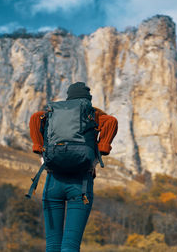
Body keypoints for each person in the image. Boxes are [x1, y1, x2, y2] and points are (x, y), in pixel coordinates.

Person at [29, 82, 118, 252]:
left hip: (53, 181)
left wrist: (42, 156)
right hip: (81, 183)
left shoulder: (52, 113)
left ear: (69, 98)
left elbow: (34, 118)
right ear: (88, 99)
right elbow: (111, 122)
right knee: (70, 246)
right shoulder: (92, 113)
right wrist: (98, 155)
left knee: (52, 246)